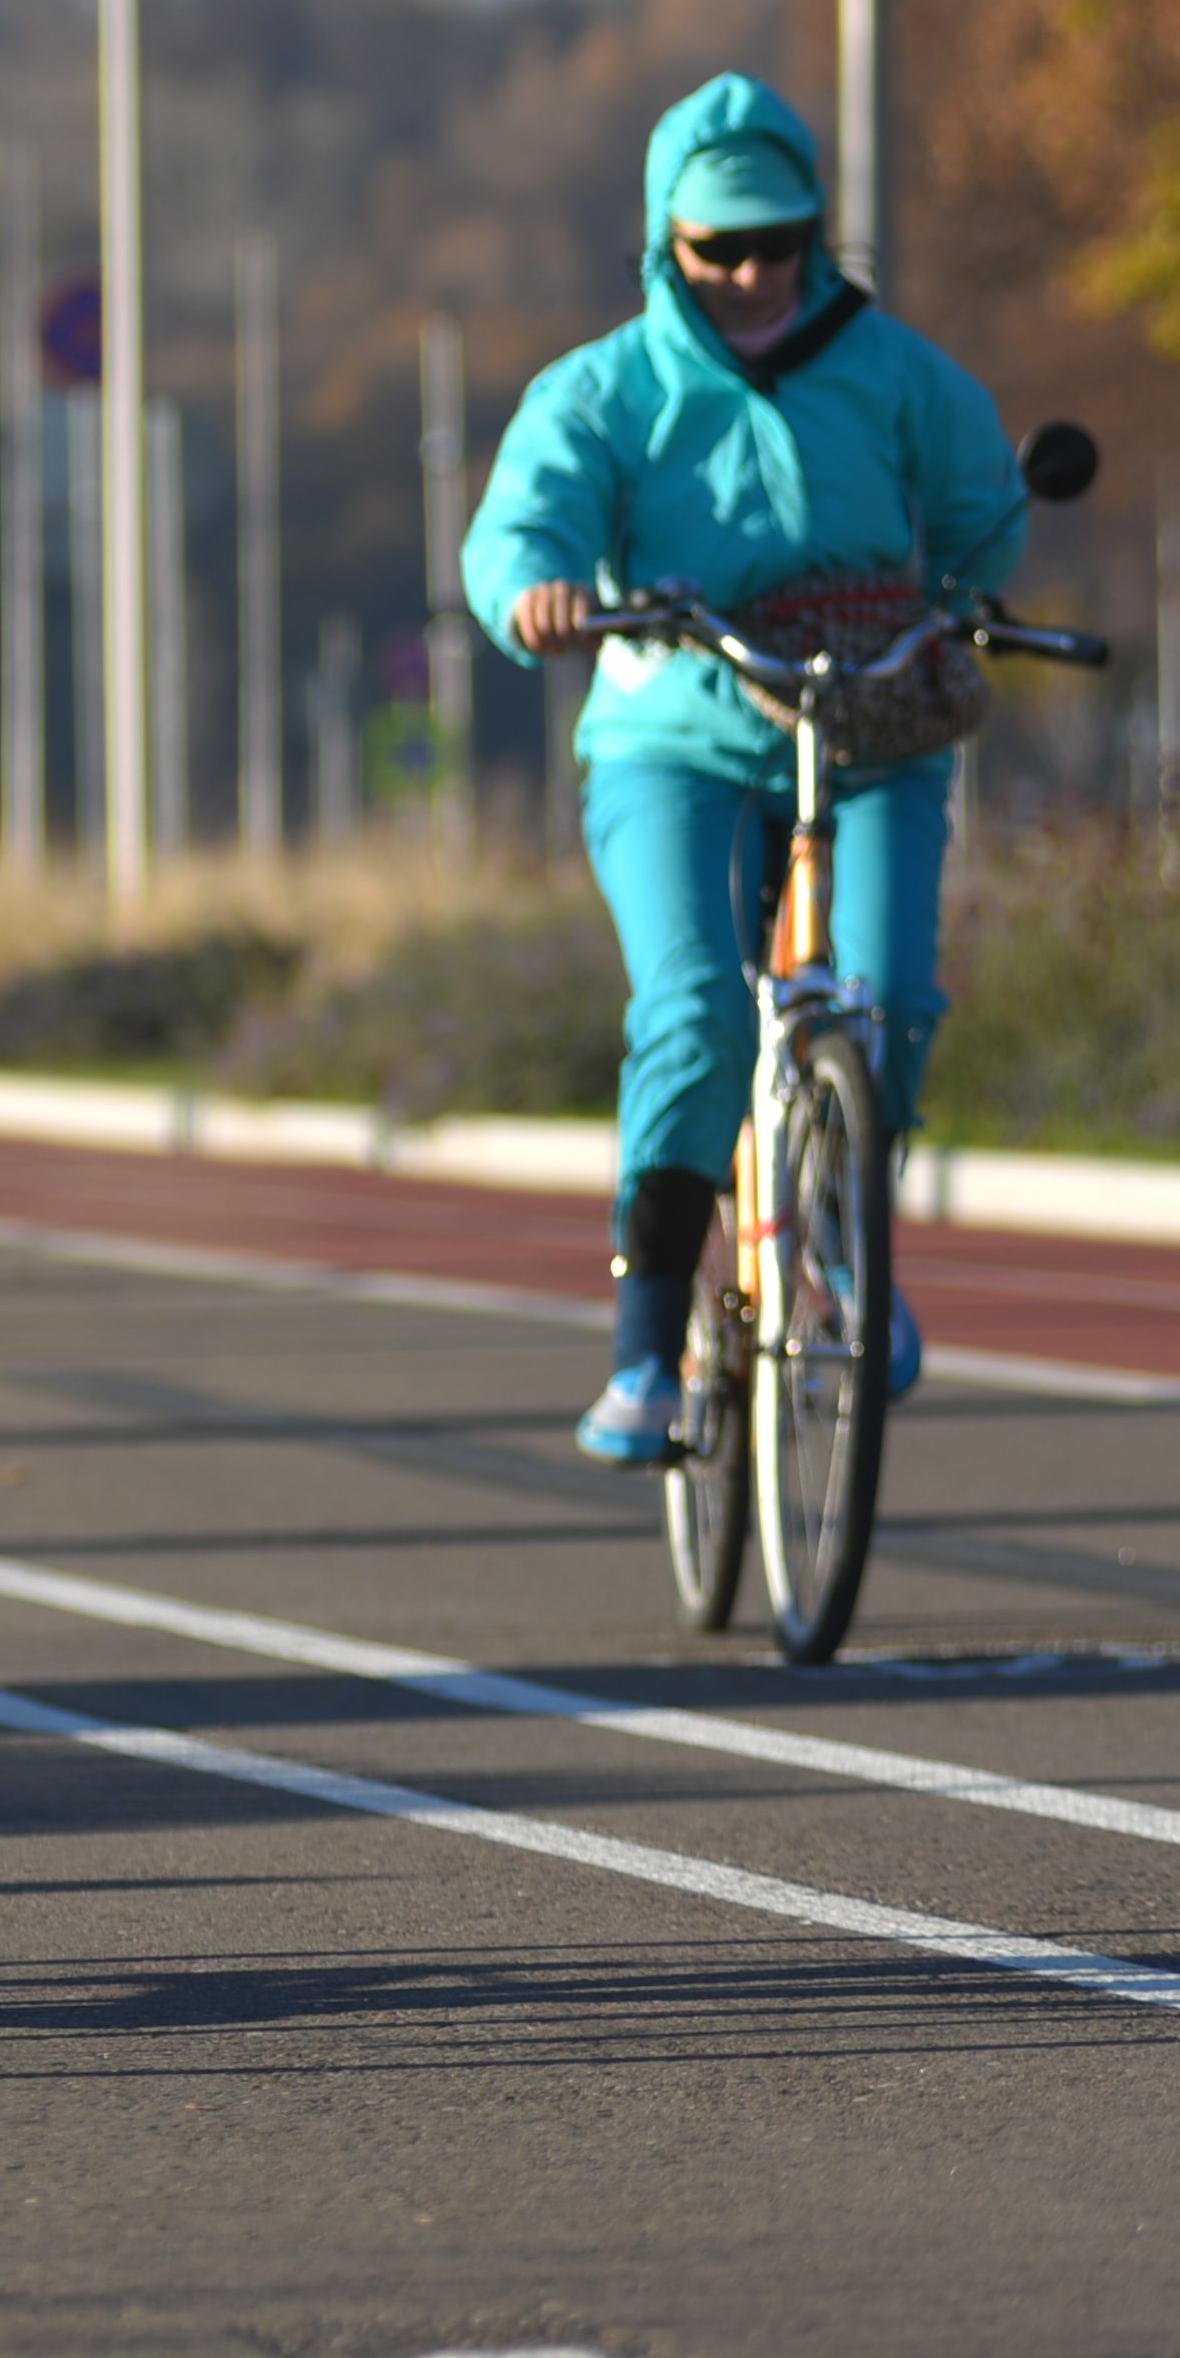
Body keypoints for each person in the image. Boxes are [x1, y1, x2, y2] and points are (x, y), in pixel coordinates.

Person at [462, 73, 1026, 1465]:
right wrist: (535, 589)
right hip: (679, 739)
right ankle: (648, 1345)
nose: (756, 274)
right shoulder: (607, 389)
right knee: (699, 1006)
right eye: (722, 249)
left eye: (782, 242)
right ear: (669, 243)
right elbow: (525, 519)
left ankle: (844, 1253)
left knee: (888, 1003)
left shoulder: (897, 373)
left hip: (868, 730)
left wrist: (961, 597)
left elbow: (980, 514)